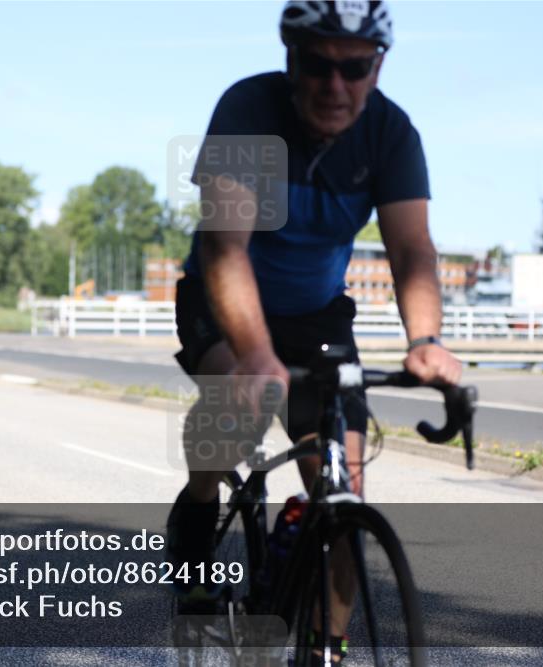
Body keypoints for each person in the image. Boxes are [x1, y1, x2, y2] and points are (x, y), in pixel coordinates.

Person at [167, 0, 462, 659]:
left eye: (355, 67)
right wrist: (255, 355)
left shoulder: (391, 133)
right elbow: (225, 247)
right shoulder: (249, 110)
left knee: (342, 489)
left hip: (316, 314)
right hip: (223, 298)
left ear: (377, 67)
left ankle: (328, 646)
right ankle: (198, 504)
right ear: (290, 58)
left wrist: (425, 341)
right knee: (239, 408)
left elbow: (412, 250)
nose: (336, 85)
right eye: (319, 64)